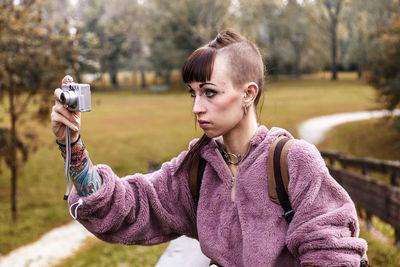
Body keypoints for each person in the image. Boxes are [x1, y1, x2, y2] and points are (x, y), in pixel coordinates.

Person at [51, 31, 368, 266]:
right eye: (193, 94)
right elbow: (129, 206)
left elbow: (332, 254)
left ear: (248, 93)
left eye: (210, 93)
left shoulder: (294, 162)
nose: (197, 108)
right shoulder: (197, 169)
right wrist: (72, 145)